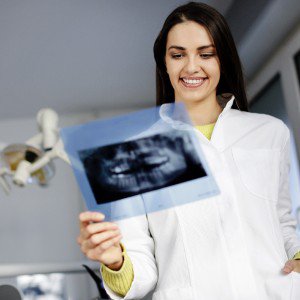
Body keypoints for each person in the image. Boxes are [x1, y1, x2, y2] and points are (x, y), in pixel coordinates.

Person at [77, 2, 300, 299]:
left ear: (224, 60)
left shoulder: (270, 133)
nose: (192, 66)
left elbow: (282, 224)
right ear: (164, 64)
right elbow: (142, 269)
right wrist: (114, 260)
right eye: (178, 54)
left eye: (206, 54)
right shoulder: (134, 154)